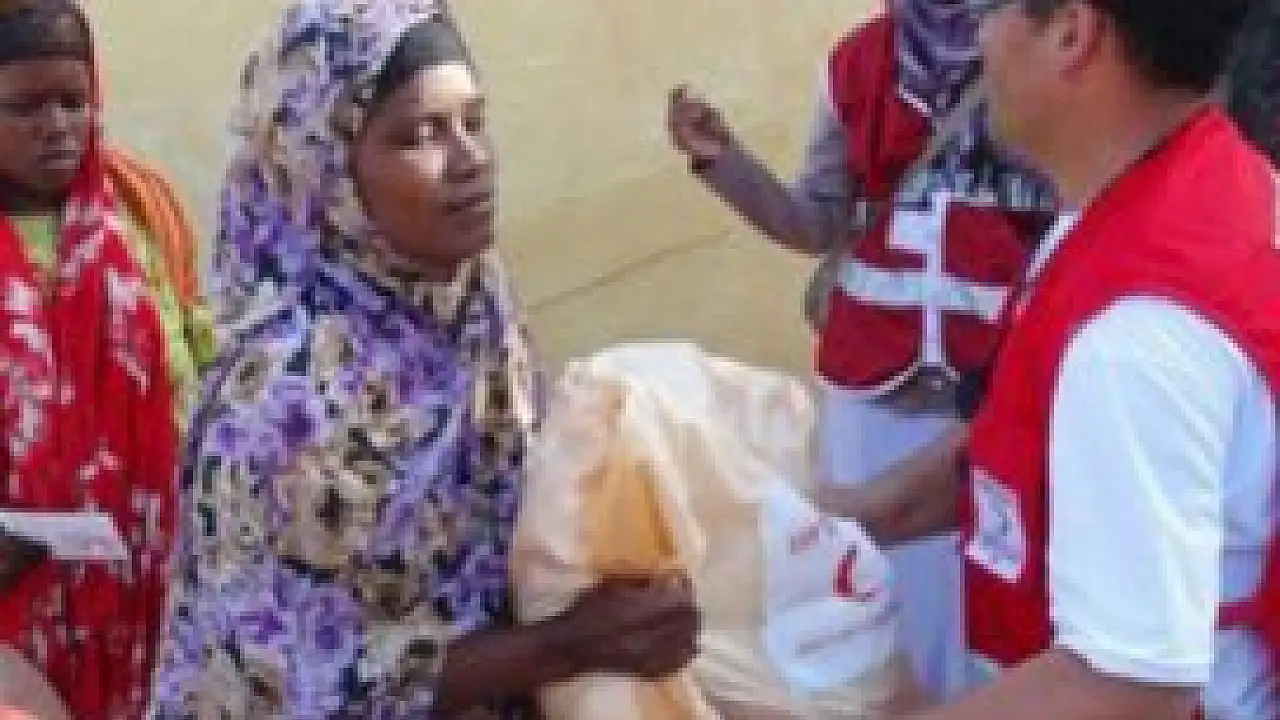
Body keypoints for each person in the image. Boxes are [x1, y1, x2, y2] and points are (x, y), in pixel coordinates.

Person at [152, 1, 699, 718]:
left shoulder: (473, 304)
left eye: (474, 121)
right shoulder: (281, 394)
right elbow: (285, 682)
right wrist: (562, 646)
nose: (471, 160)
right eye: (418, 135)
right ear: (329, 171)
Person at [823, 0, 1280, 717]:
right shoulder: (1185, 184)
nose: (980, 39)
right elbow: (1031, 439)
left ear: (1072, 34)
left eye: (993, 10)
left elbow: (1130, 687)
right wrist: (845, 520)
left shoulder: (1135, 335)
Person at [666, 0, 1054, 700]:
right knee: (874, 590)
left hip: (993, 384)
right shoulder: (855, 64)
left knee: (991, 590)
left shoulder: (1039, 49)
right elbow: (816, 223)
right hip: (873, 382)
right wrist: (723, 162)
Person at [0, 0, 204, 717]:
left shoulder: (142, 210)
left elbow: (197, 369)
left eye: (73, 101)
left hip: (154, 593)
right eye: (25, 107)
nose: (57, 126)